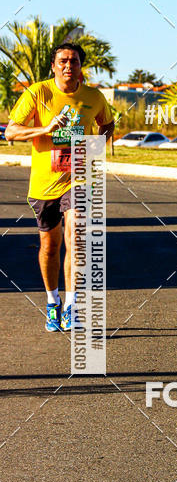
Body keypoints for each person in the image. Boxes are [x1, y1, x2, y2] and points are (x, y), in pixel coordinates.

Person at [6, 42, 114, 331]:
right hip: (44, 183)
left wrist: (97, 147)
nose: (69, 66)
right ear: (53, 66)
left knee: (76, 234)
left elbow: (108, 123)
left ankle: (71, 306)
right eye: (63, 61)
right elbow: (12, 130)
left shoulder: (94, 96)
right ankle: (52, 302)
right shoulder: (37, 93)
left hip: (78, 179)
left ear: (81, 66)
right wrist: (45, 129)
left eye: (74, 61)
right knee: (49, 247)